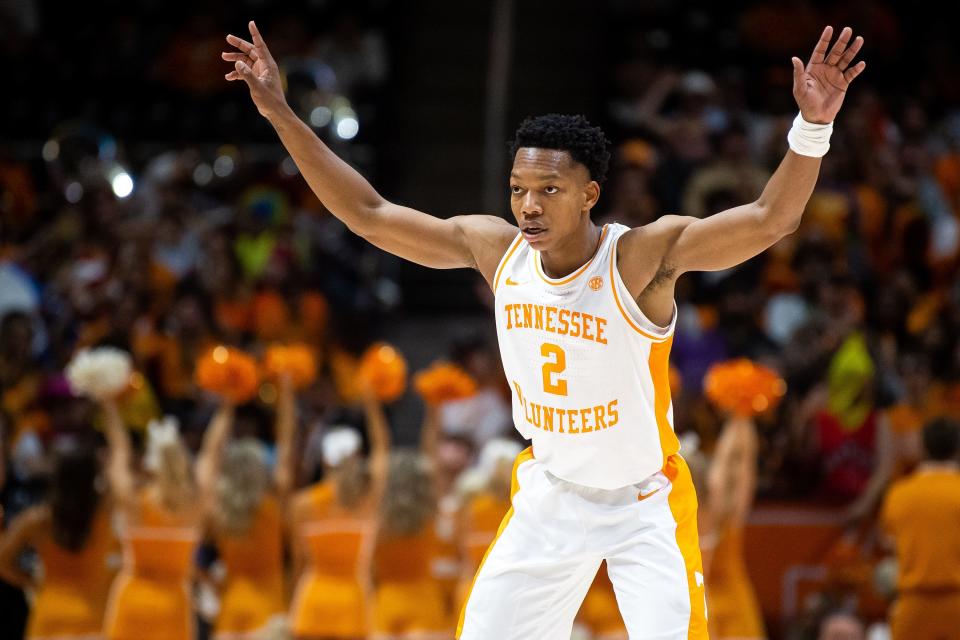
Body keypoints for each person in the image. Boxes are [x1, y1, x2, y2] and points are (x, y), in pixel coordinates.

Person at [223, 21, 866, 638]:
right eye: (518, 188)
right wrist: (280, 112)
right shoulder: (494, 250)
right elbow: (368, 213)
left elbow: (768, 220)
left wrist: (813, 125)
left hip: (643, 504)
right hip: (550, 498)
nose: (528, 205)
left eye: (549, 189)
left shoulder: (641, 259)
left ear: (589, 194)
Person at [100, 397, 234, 640]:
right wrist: (228, 404)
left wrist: (108, 405)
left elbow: (119, 453)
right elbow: (212, 453)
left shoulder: (135, 503)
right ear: (183, 463)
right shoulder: (192, 508)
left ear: (150, 466)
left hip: (131, 603)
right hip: (173, 607)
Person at [288, 388, 390, 640]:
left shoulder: (303, 503)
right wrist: (372, 404)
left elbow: (297, 561)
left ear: (324, 461)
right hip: (353, 604)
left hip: (312, 602)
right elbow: (382, 452)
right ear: (358, 457)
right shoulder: (366, 501)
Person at [0, 439, 116, 639]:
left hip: (49, 616)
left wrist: (30, 581)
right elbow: (119, 476)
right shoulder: (104, 515)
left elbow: (3, 561)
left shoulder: (37, 520)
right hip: (93, 620)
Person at [208, 375, 297, 639]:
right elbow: (288, 444)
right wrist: (288, 393)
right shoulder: (273, 504)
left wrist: (227, 405)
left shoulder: (219, 510)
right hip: (269, 614)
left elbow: (209, 456)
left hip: (230, 614)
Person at [880, 418, 960, 640]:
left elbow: (890, 544)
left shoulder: (899, 494)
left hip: (913, 606)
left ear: (923, 448)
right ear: (956, 448)